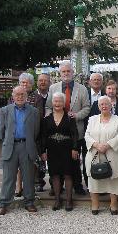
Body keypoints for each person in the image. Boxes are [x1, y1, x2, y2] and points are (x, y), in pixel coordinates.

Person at [46, 61, 90, 195]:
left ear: (72, 72)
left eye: (68, 71)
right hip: (57, 132)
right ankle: (56, 187)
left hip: (76, 131)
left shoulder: (81, 88)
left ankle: (77, 186)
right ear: (60, 73)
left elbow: (87, 107)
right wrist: (52, 119)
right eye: (63, 72)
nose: (66, 74)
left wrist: (76, 115)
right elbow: (48, 107)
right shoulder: (53, 88)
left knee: (75, 159)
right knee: (57, 160)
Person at [0, 86, 40, 215]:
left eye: (22, 94)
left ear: (26, 96)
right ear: (13, 96)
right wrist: (9, 141)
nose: (20, 97)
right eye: (17, 94)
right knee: (8, 177)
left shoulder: (34, 111)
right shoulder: (5, 110)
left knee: (28, 176)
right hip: (11, 146)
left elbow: (36, 131)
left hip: (26, 146)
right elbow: (1, 130)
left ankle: (29, 202)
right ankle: (3, 203)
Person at [85, 96, 118, 215]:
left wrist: (107, 145)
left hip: (113, 153)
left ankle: (113, 204)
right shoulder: (92, 119)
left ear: (111, 106)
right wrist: (96, 145)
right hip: (94, 153)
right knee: (94, 180)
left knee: (114, 180)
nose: (104, 106)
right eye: (101, 104)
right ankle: (95, 204)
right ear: (98, 107)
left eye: (106, 104)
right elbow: (87, 135)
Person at [89, 80, 118, 192]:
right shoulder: (96, 104)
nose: (111, 91)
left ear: (117, 90)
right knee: (102, 166)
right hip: (99, 143)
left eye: (113, 88)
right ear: (105, 90)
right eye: (109, 88)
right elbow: (92, 123)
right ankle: (102, 190)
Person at [40, 92, 79, 211]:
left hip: (67, 150)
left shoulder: (69, 117)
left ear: (64, 103)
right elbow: (43, 136)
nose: (57, 103)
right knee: (55, 175)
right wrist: (43, 151)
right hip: (52, 150)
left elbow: (74, 134)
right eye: (55, 101)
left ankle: (68, 200)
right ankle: (57, 200)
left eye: (60, 101)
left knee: (68, 174)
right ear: (52, 103)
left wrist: (75, 148)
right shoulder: (46, 119)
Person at [35, 72, 51, 192]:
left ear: (49, 82)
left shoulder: (52, 96)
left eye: (45, 80)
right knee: (38, 158)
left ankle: (54, 183)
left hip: (50, 131)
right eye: (41, 80)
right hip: (37, 131)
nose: (43, 82)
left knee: (51, 158)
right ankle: (39, 182)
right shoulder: (32, 96)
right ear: (37, 82)